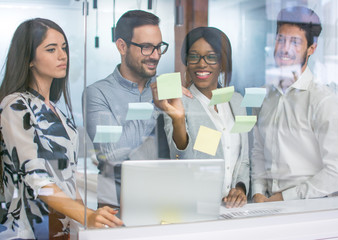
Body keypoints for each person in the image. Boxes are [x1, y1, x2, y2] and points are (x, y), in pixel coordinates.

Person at [0, 18, 123, 239]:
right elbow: (36, 177)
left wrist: (84, 220)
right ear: (29, 59)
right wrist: (85, 214)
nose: (62, 55)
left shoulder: (58, 112)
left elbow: (67, 178)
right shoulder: (15, 104)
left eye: (64, 48)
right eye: (51, 49)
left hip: (63, 229)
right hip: (29, 228)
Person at [251, 6, 338, 202]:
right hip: (265, 205)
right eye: (280, 39)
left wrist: (284, 198)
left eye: (295, 42)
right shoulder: (265, 94)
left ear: (311, 49)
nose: (285, 48)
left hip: (307, 211)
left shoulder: (326, 102)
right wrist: (257, 191)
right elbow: (258, 149)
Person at [84, 10, 181, 209]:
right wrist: (153, 106)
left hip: (166, 201)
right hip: (115, 206)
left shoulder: (167, 89)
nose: (155, 56)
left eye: (159, 47)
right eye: (146, 47)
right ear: (122, 46)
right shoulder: (96, 93)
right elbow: (112, 154)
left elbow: (182, 149)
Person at [152, 27, 250, 208]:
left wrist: (240, 188)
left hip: (234, 211)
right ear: (187, 62)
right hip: (194, 207)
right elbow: (182, 159)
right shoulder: (178, 101)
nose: (202, 64)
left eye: (211, 57)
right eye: (194, 56)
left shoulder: (237, 101)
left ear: (222, 63)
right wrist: (178, 119)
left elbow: (244, 158)